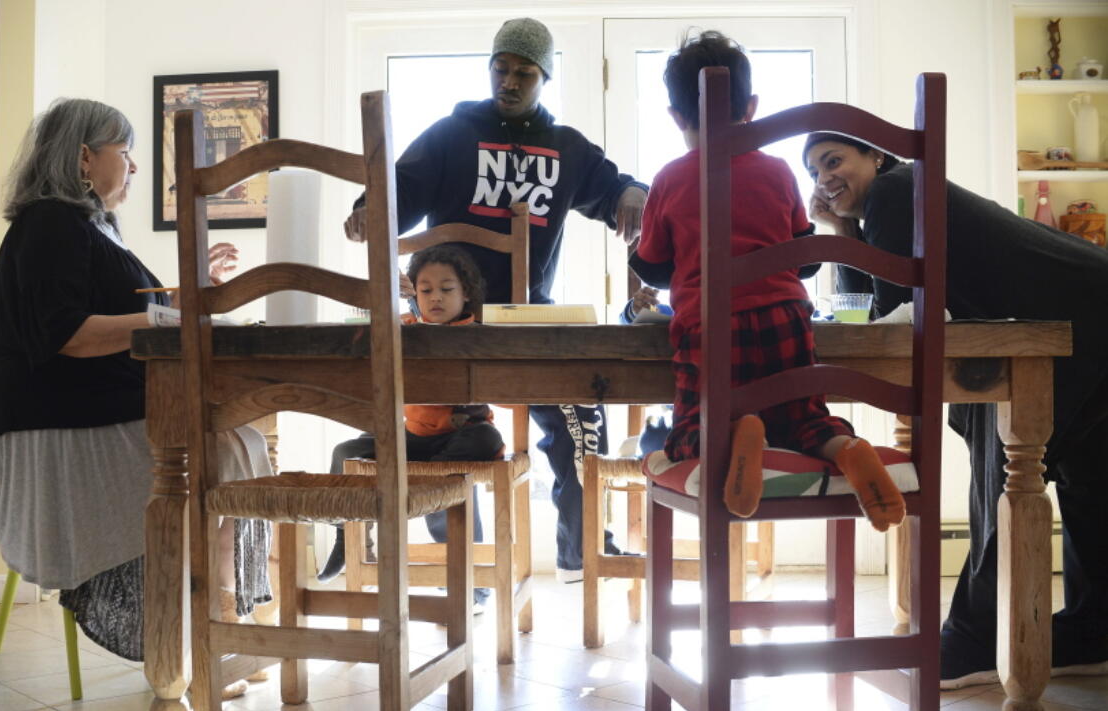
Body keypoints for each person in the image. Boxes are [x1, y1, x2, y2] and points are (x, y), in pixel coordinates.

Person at [0, 99, 272, 691]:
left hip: (80, 409)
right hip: (55, 420)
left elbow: (125, 314)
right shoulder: (51, 224)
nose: (134, 167)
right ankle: (202, 636)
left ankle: (214, 628)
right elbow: (72, 336)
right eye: (125, 152)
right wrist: (175, 315)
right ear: (85, 158)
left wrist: (184, 301)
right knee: (225, 450)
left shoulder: (85, 229)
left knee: (233, 444)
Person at [341, 17, 649, 581]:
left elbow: (615, 189)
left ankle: (579, 548)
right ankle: (466, 571)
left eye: (524, 73)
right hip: (446, 323)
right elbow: (399, 189)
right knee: (441, 436)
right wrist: (368, 206)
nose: (508, 81)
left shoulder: (566, 147)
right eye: (500, 68)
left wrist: (633, 191)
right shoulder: (451, 134)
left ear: (544, 78)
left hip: (525, 320)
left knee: (581, 409)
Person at [803, 131, 1108, 688]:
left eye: (833, 160)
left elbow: (890, 320)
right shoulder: (891, 203)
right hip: (1086, 303)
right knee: (1088, 478)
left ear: (876, 155)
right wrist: (841, 231)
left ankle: (970, 640)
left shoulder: (896, 192)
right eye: (814, 172)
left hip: (1069, 318)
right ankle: (1092, 633)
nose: (823, 179)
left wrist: (848, 236)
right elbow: (874, 311)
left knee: (1004, 473)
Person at [629, 31, 906, 528]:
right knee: (805, 419)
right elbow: (804, 259)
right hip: (787, 321)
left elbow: (652, 266)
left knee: (693, 426)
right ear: (752, 107)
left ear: (674, 116)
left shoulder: (670, 177)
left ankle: (736, 433)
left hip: (709, 326)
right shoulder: (779, 171)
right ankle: (847, 448)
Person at [322, 246, 503, 610]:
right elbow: (369, 336)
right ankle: (347, 538)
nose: (436, 297)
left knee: (483, 438)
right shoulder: (402, 328)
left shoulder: (478, 333)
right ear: (413, 293)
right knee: (345, 453)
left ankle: (474, 584)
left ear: (465, 293)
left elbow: (500, 395)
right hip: (414, 438)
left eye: (447, 289)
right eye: (426, 290)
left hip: (460, 441)